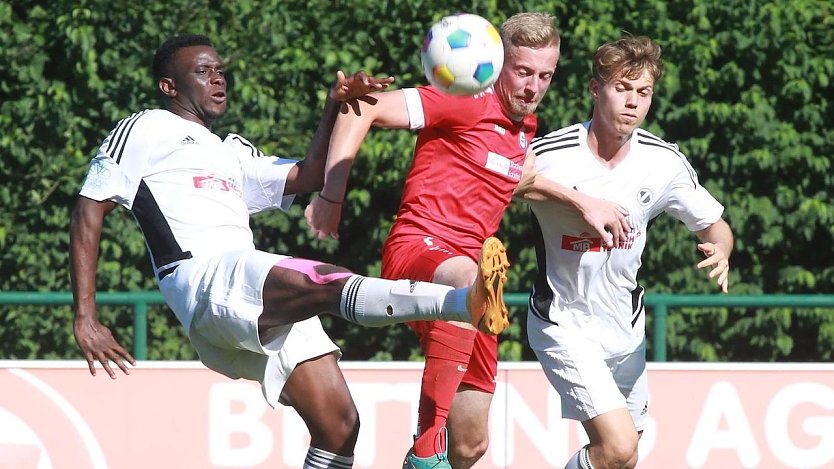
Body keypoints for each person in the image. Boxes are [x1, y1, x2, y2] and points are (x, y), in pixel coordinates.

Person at [69, 34, 510, 469]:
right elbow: (89, 208)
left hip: (246, 291)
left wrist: (333, 105)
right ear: (169, 86)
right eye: (203, 72)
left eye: (221, 70)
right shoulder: (144, 127)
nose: (218, 79)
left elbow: (307, 176)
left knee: (339, 427)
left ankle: (461, 303)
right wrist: (86, 317)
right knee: (321, 278)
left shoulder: (230, 150)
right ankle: (460, 302)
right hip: (203, 278)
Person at [304, 12, 561, 469]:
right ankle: (424, 446)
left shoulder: (524, 131)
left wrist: (585, 203)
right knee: (469, 278)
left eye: (545, 75)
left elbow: (519, 179)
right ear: (496, 63)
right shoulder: (465, 100)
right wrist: (330, 196)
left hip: (474, 284)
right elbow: (363, 108)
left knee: (470, 443)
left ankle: (437, 449)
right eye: (523, 72)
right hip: (420, 249)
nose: (532, 86)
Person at [515, 35, 733, 469]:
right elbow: (504, 180)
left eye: (644, 92)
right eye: (622, 88)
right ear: (595, 89)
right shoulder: (550, 153)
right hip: (564, 321)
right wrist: (581, 201)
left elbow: (715, 224)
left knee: (624, 457)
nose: (633, 102)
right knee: (615, 448)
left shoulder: (663, 161)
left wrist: (722, 249)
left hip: (625, 329)